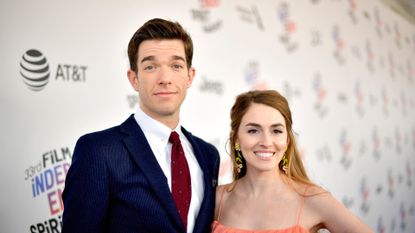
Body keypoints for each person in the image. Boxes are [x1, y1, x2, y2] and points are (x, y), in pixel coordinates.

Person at [62, 18, 220, 233]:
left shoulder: (208, 155)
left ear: (190, 77)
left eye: (176, 66)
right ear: (134, 78)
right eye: (150, 66)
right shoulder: (98, 151)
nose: (165, 78)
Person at [211, 90, 373, 233]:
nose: (266, 141)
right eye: (253, 130)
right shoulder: (217, 199)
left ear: (287, 140)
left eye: (276, 131)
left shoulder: (313, 199)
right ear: (237, 139)